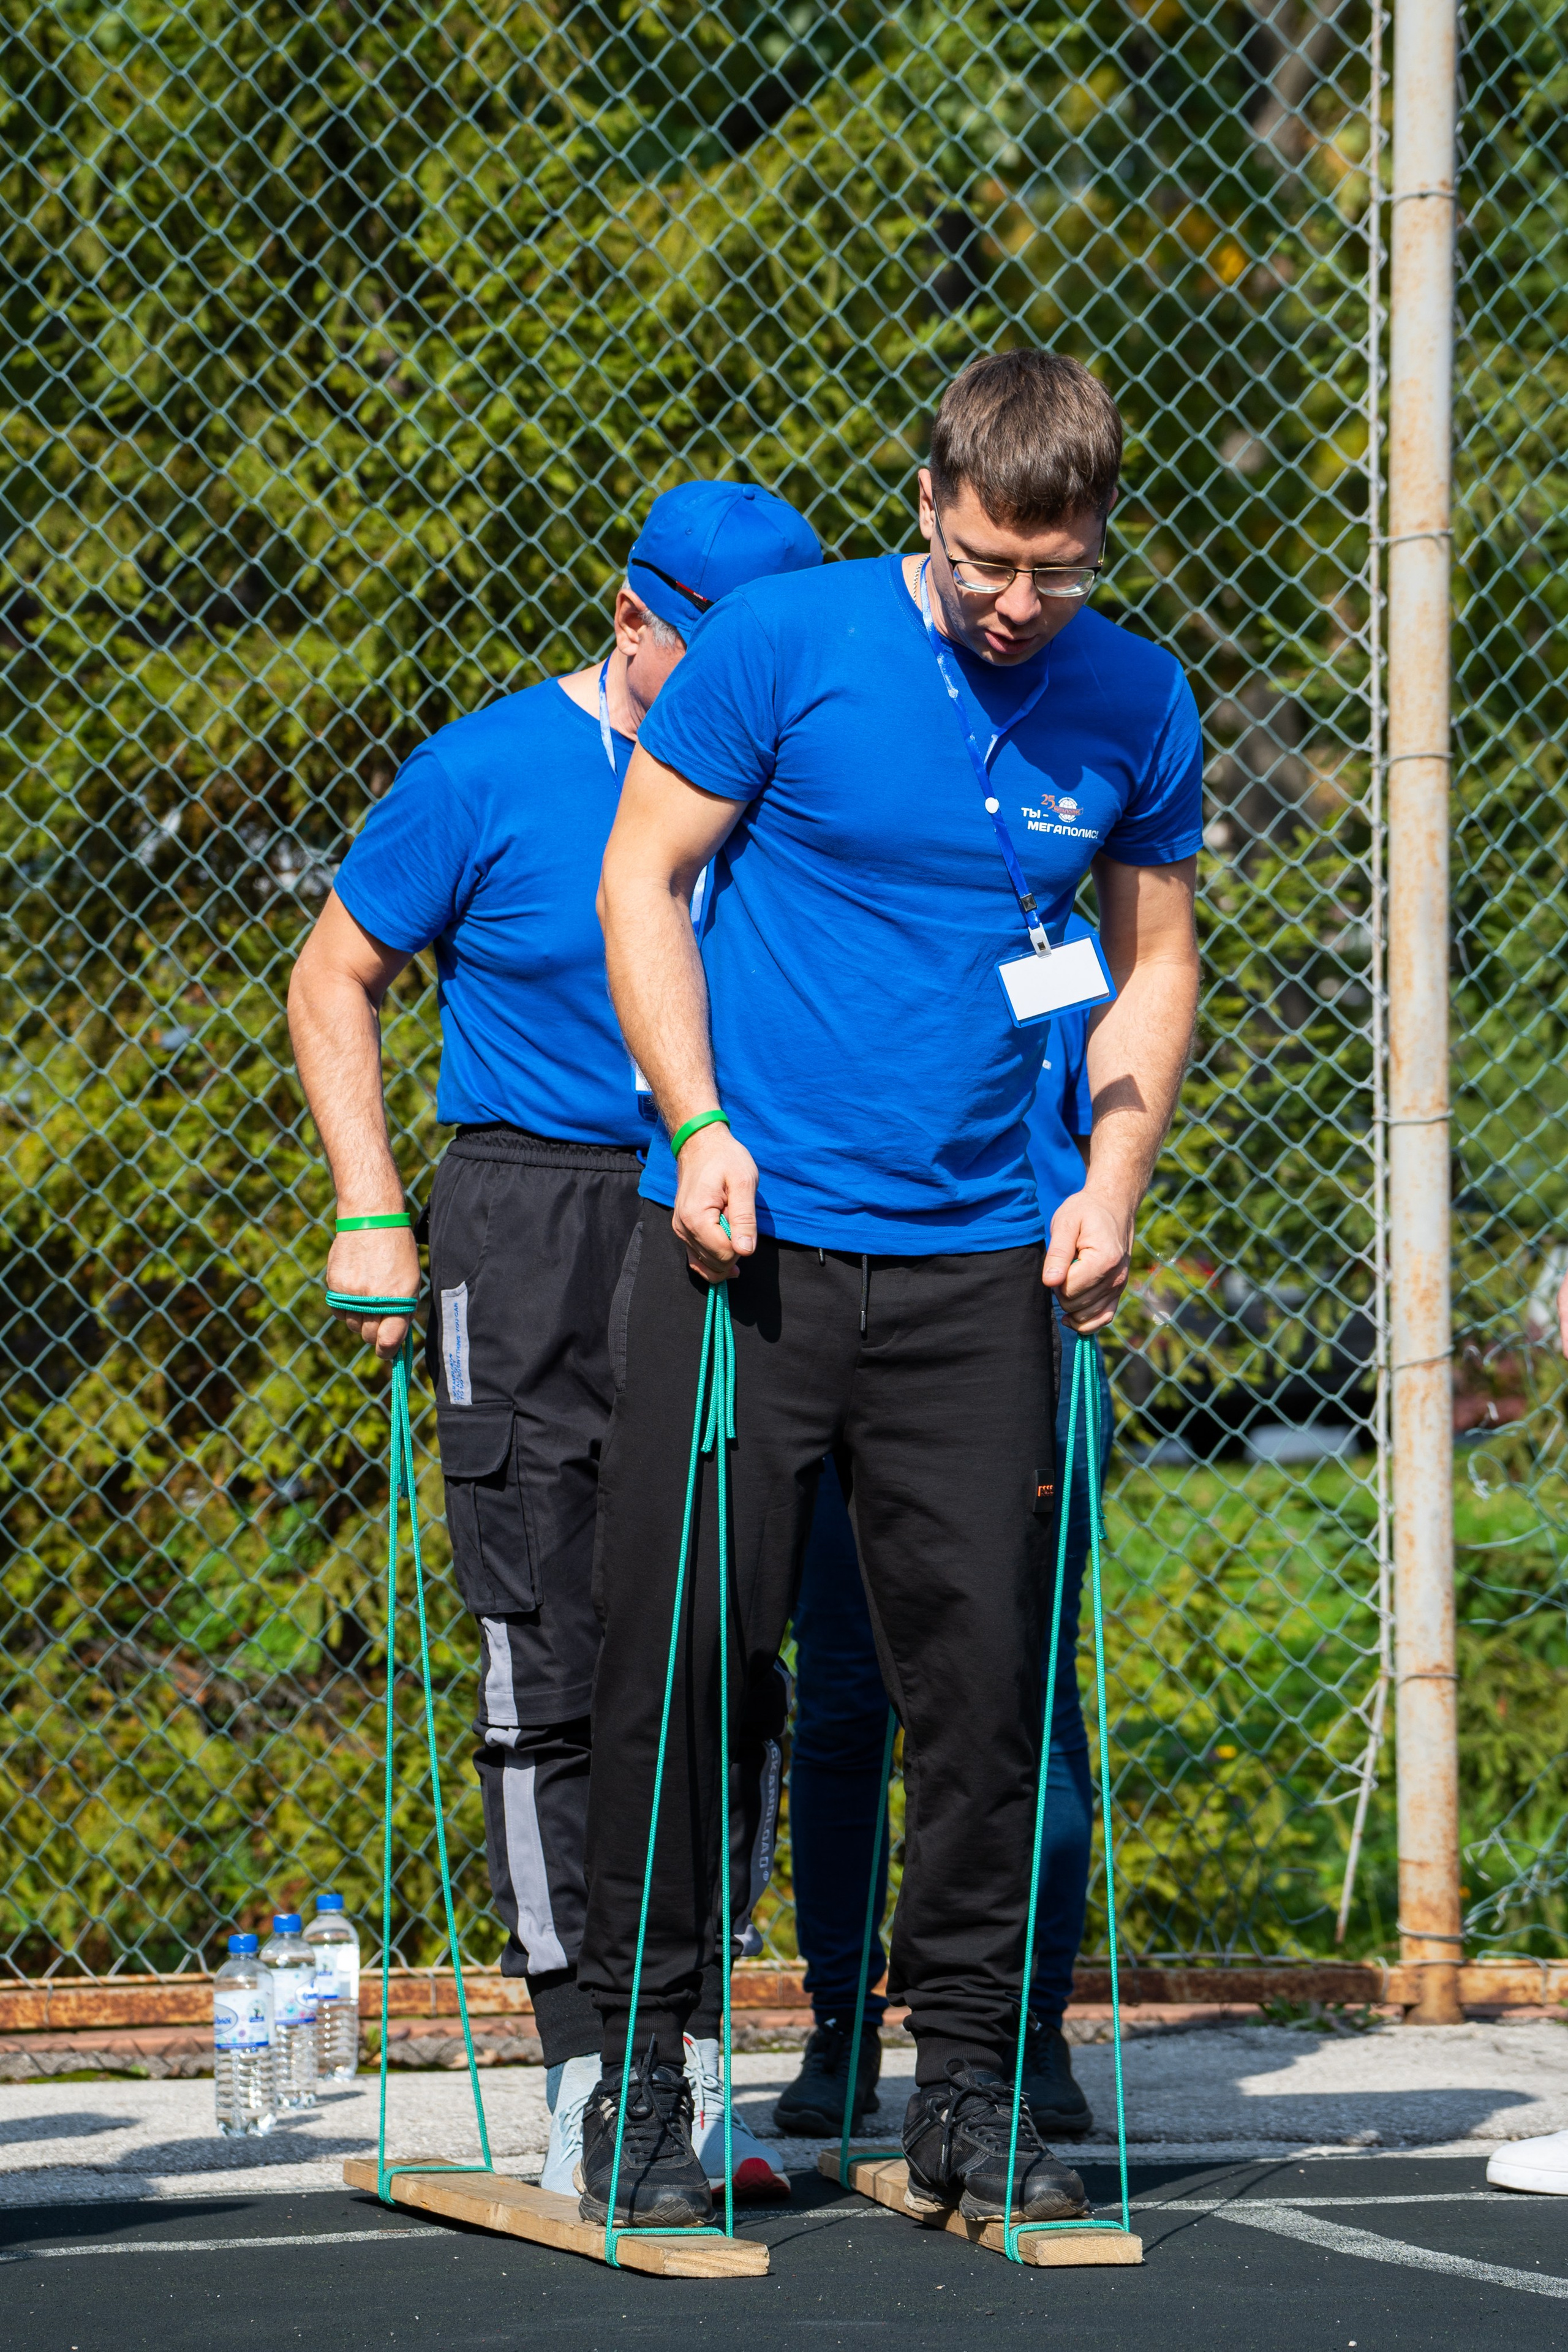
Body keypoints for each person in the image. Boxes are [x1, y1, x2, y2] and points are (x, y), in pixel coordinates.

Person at [580, 348, 1203, 2231]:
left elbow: (1154, 960)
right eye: (996, 563)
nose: (1025, 605)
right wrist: (697, 1124)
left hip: (983, 1271)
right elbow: (640, 878)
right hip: (745, 1249)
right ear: (930, 501)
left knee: (987, 1694)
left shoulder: (1136, 698)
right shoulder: (787, 646)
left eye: (1063, 570)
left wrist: (1114, 1180)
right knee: (686, 1663)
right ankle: (645, 2080)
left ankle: (974, 2084)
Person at [285, 480, 822, 2204]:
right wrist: (372, 1202)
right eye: (709, 651)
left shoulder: (790, 785)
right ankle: (586, 2062)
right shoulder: (486, 772)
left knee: (723, 1656)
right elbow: (333, 974)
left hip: (726, 1203)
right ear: (630, 618)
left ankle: (678, 2049)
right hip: (530, 1220)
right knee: (550, 1650)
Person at [777, 993, 1112, 2144]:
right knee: (841, 1697)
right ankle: (842, 2023)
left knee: (1022, 1701)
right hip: (847, 1304)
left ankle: (1022, 2030)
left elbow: (1111, 1109)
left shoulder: (1069, 924)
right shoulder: (840, 904)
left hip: (1024, 1315)